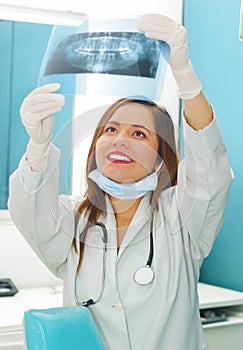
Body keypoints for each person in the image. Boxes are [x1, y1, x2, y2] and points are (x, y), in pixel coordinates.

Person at [8, 14, 233, 350]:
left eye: (139, 133)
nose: (119, 140)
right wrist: (38, 146)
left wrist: (186, 78)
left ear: (161, 157)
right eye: (110, 130)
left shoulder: (181, 217)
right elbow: (28, 207)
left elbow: (209, 168)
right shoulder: (73, 221)